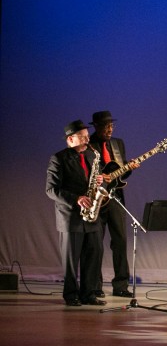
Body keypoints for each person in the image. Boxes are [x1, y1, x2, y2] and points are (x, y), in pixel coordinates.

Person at [45, 120, 107, 306]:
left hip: (91, 216)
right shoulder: (58, 158)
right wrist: (76, 199)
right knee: (72, 260)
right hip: (71, 217)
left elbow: (89, 181)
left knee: (94, 254)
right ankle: (71, 295)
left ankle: (88, 294)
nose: (87, 140)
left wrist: (97, 181)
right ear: (70, 139)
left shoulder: (90, 156)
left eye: (88, 136)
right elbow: (51, 190)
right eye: (83, 137)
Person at [89, 110, 139, 298]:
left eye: (112, 125)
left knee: (120, 241)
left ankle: (121, 286)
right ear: (96, 126)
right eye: (105, 126)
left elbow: (121, 174)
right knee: (96, 244)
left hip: (116, 198)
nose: (109, 129)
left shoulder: (118, 144)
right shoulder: (89, 144)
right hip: (97, 199)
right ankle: (94, 286)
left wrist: (130, 168)